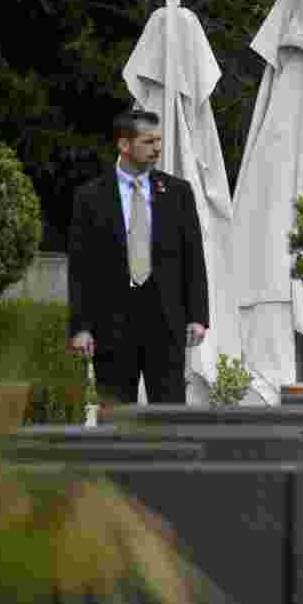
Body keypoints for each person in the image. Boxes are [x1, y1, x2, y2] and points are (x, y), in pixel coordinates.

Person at [67, 108, 209, 404]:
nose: (157, 148)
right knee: (116, 420)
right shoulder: (90, 197)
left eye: (158, 141)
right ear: (124, 145)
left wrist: (198, 316)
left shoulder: (178, 193)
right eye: (148, 142)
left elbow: (193, 258)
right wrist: (80, 327)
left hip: (166, 322)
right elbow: (81, 269)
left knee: (171, 417)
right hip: (112, 325)